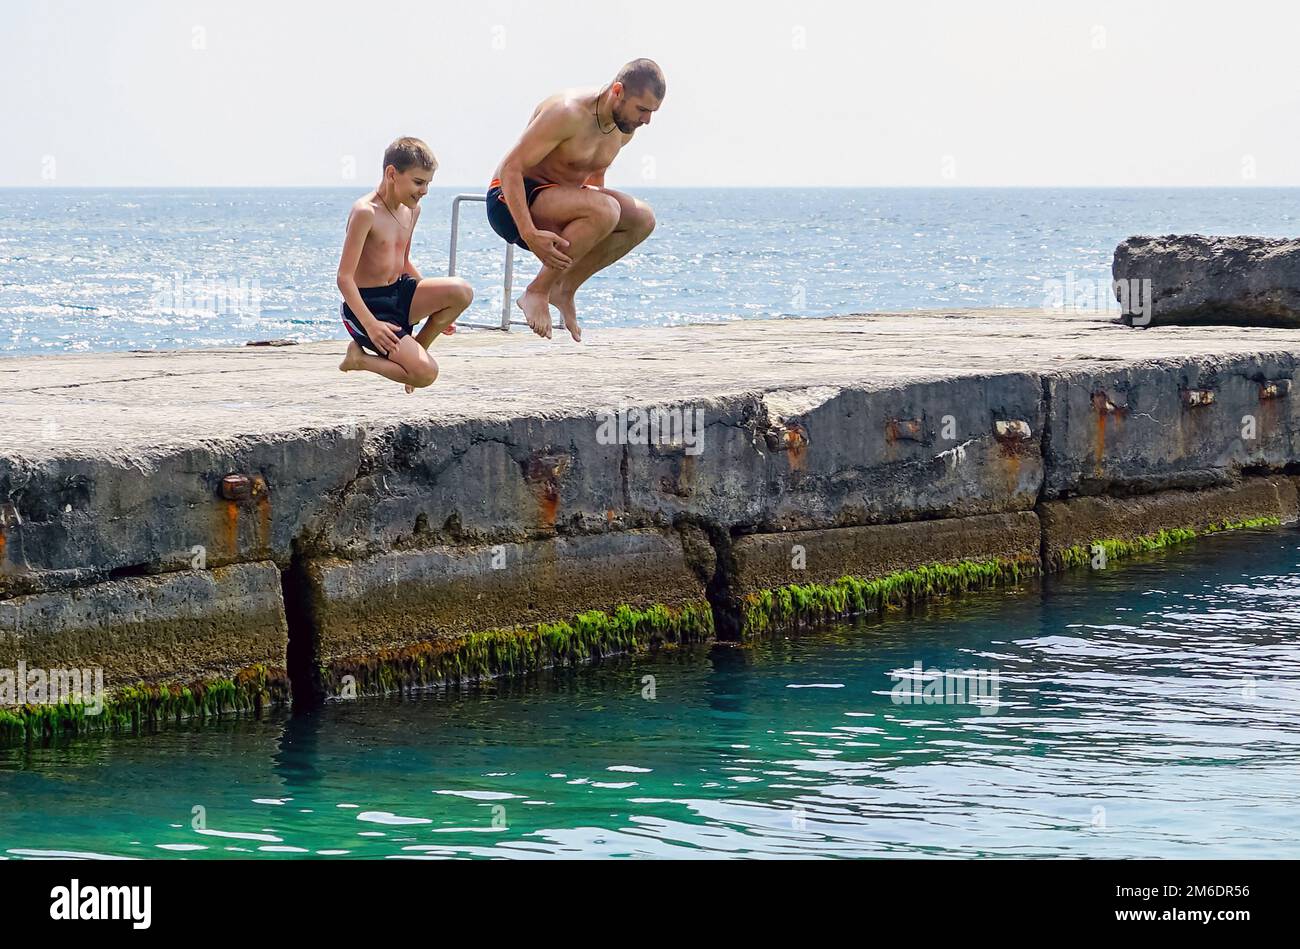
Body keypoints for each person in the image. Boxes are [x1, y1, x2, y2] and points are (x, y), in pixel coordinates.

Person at [486, 59, 665, 341]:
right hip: (509, 200)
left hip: (557, 199)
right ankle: (537, 290)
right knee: (606, 210)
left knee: (643, 218)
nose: (647, 120)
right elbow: (511, 168)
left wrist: (594, 231)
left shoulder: (623, 130)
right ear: (617, 91)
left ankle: (564, 288)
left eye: (652, 112)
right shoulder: (567, 112)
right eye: (642, 109)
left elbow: (594, 179)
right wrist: (529, 233)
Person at [337, 137, 473, 391]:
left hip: (399, 293)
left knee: (461, 291)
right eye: (418, 182)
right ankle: (360, 360)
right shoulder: (366, 212)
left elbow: (404, 262)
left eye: (428, 184)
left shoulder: (411, 210)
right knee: (426, 375)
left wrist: (438, 303)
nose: (424, 191)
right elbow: (344, 278)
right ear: (392, 174)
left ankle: (414, 356)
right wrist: (371, 325)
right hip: (369, 308)